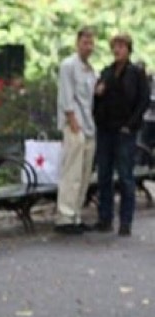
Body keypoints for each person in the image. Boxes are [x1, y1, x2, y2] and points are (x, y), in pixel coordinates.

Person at [92, 33, 150, 236]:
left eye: (121, 47)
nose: (117, 50)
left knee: (125, 176)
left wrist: (131, 124)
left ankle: (126, 221)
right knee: (104, 175)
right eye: (115, 47)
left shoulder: (136, 73)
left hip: (125, 130)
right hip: (106, 129)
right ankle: (105, 218)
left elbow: (142, 101)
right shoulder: (107, 72)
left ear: (128, 49)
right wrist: (97, 95)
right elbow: (97, 98)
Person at [54, 27, 97, 235]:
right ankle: (65, 216)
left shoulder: (90, 70)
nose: (88, 47)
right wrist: (72, 120)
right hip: (75, 125)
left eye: (91, 43)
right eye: (85, 42)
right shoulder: (68, 66)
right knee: (71, 172)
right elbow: (66, 95)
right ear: (77, 43)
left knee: (84, 173)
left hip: (89, 125)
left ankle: (76, 213)